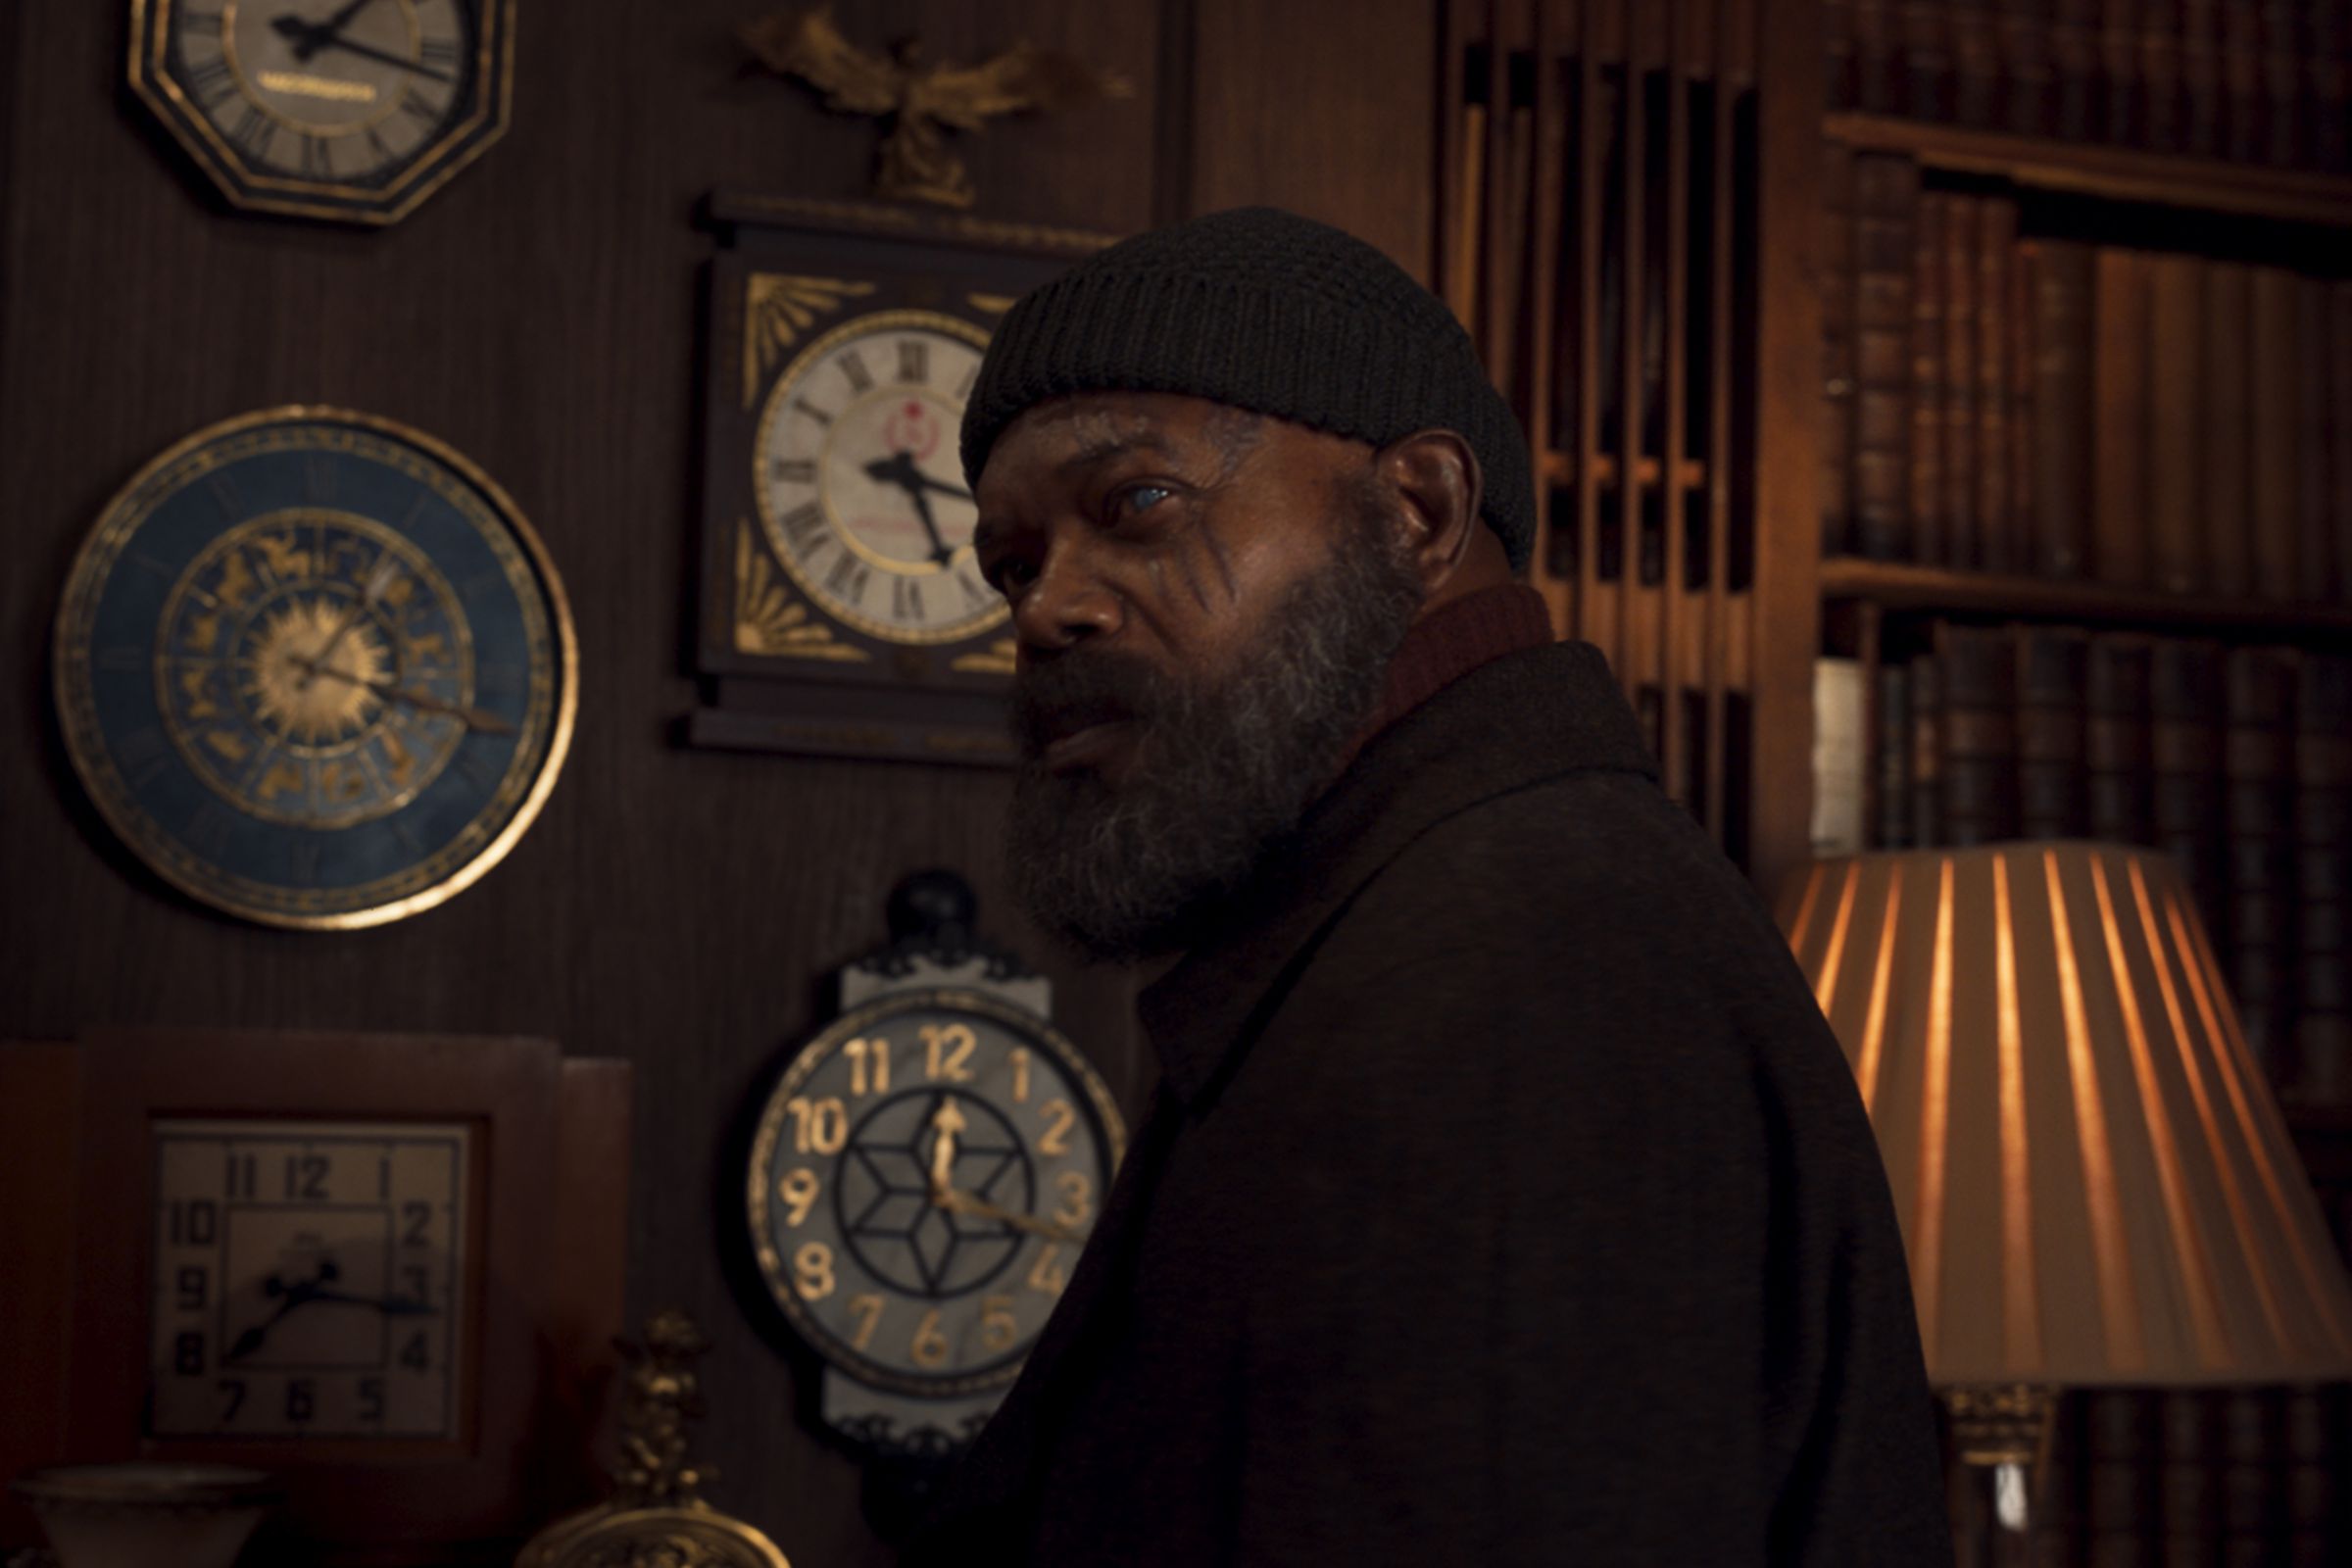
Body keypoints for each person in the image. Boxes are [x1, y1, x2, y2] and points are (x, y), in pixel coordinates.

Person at [907, 206, 1952, 1565]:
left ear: (1420, 512)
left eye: (1138, 507)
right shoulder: (1426, 925)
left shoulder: (1529, 971)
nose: (1050, 608)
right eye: (1014, 564)